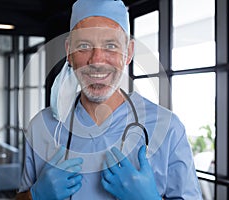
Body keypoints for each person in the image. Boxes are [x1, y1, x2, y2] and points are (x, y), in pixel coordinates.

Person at [16, 0, 203, 199]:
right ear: (69, 52)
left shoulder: (168, 129)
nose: (96, 60)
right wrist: (34, 197)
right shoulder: (41, 127)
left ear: (129, 52)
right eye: (84, 45)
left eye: (111, 45)